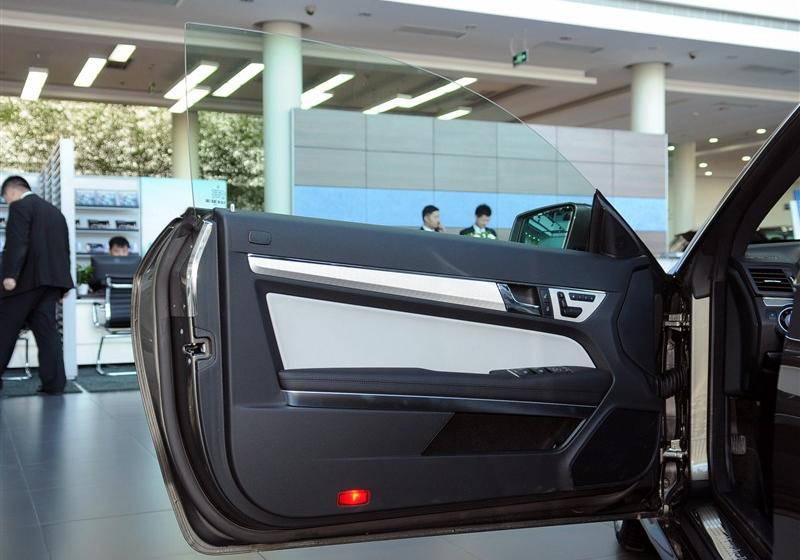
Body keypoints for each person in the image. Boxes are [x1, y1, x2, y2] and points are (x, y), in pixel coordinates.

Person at [0, 176, 73, 394]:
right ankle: (55, 383)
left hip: (25, 282)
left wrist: (10, 275)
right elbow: (64, 249)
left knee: (4, 329)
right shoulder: (55, 212)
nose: (7, 201)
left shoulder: (19, 206)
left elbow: (17, 242)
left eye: (5, 198)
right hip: (50, 283)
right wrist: (64, 284)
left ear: (11, 192)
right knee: (47, 332)